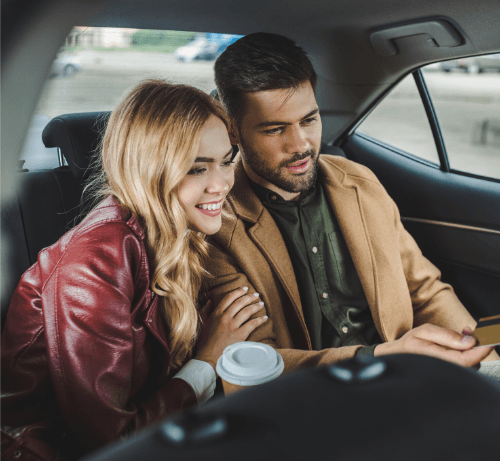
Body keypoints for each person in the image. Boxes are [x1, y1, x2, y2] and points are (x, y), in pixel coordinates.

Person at [204, 32, 498, 382]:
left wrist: (490, 367)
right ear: (233, 131)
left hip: (413, 382)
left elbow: (425, 290)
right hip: (314, 405)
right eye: (275, 129)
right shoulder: (216, 226)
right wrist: (381, 357)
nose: (300, 145)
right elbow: (249, 367)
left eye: (309, 120)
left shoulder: (359, 182)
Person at [1, 80, 268, 461]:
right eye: (196, 169)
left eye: (227, 160)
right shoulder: (92, 264)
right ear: (150, 171)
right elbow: (109, 441)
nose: (223, 183)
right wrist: (206, 363)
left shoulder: (180, 233)